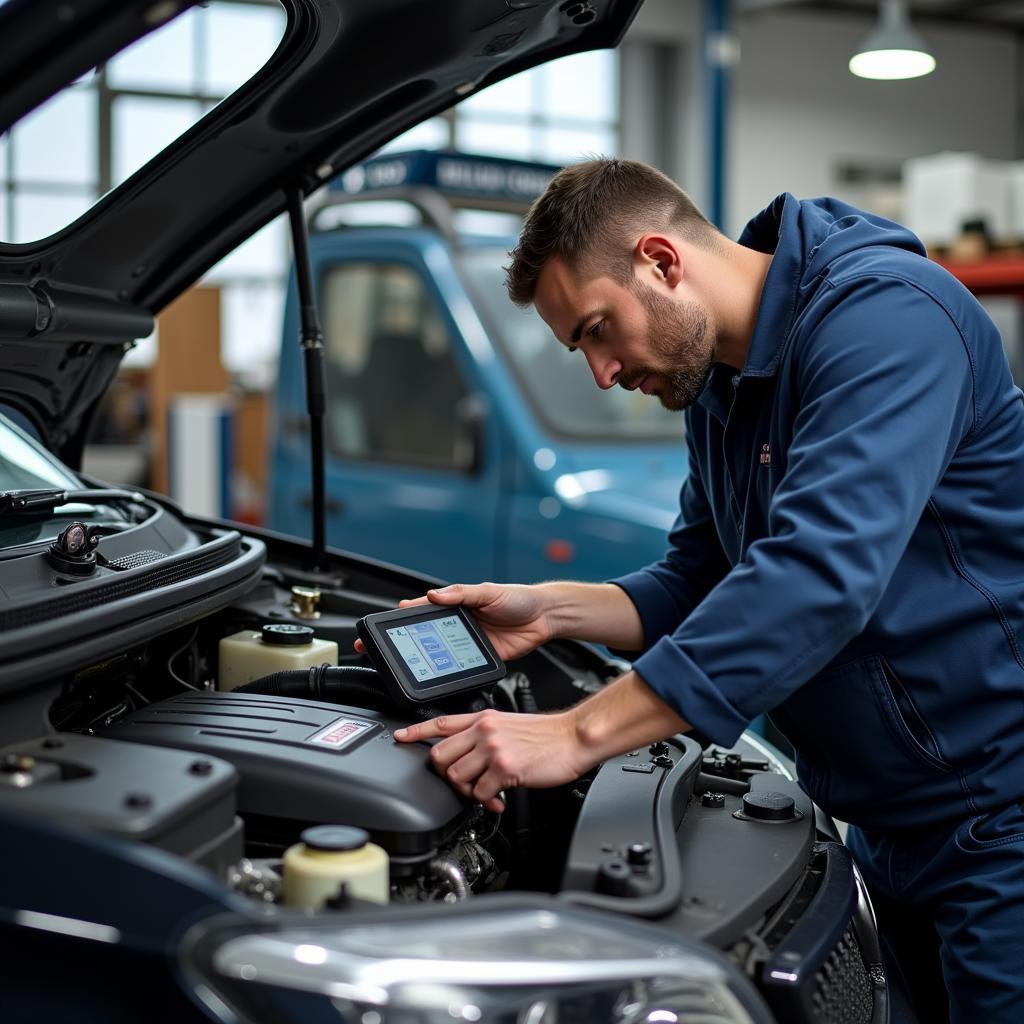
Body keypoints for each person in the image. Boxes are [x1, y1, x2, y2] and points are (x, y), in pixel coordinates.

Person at [374, 159, 1024, 1022]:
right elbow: (698, 577)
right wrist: (552, 610)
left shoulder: (889, 319)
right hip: (882, 822)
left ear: (661, 260)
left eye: (600, 330)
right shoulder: (719, 387)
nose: (603, 372)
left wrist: (578, 733)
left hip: (1000, 817)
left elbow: (818, 581)